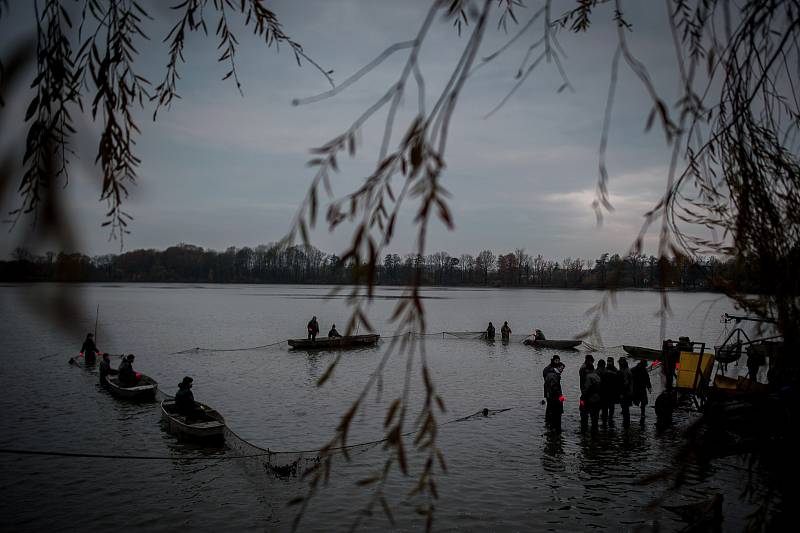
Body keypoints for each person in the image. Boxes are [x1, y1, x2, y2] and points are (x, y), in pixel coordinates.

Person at [542, 358, 565, 432]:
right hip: (555, 399)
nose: (562, 370)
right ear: (558, 367)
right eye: (562, 368)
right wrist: (560, 397)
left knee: (551, 413)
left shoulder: (549, 374)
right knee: (557, 416)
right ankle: (556, 431)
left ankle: (551, 429)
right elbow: (555, 388)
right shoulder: (555, 375)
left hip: (550, 397)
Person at [581, 362, 602, 432]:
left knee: (584, 415)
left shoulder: (588, 377)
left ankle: (584, 431)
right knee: (595, 418)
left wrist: (582, 397)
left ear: (588, 369)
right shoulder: (597, 376)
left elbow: (586, 389)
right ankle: (595, 433)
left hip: (589, 399)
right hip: (598, 399)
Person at [631, 358, 652, 423]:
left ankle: (642, 414)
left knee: (642, 402)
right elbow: (647, 380)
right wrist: (649, 387)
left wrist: (649, 387)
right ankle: (642, 414)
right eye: (646, 364)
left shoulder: (639, 369)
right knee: (642, 402)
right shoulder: (637, 370)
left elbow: (647, 379)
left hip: (639, 388)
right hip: (638, 388)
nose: (646, 365)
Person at [600, 357, 620, 424]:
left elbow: (618, 382)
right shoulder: (604, 369)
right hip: (604, 391)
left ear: (613, 362)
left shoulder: (615, 370)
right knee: (604, 407)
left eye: (610, 361)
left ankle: (610, 418)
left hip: (612, 392)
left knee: (611, 407)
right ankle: (604, 419)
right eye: (608, 361)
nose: (609, 362)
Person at [618, 357, 634, 427]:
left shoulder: (625, 371)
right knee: (625, 409)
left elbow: (626, 383)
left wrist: (622, 393)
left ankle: (626, 424)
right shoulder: (627, 370)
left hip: (626, 393)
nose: (619, 365)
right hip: (628, 392)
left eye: (620, 363)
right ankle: (626, 424)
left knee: (625, 409)